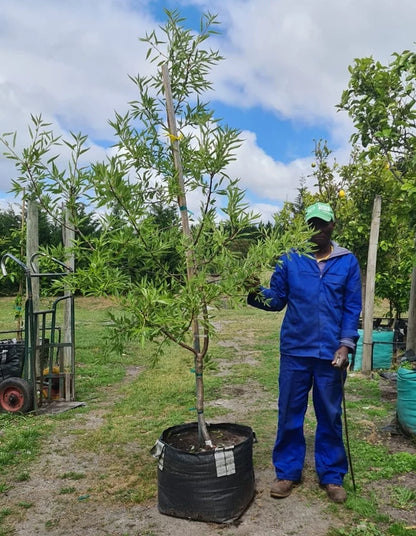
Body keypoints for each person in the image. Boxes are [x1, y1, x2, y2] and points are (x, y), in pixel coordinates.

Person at [247, 201, 362, 504]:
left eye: (322, 224)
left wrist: (346, 344)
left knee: (330, 414)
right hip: (295, 351)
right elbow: (277, 300)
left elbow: (352, 307)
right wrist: (254, 290)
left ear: (332, 226)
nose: (316, 230)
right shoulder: (291, 259)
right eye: (311, 224)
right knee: (290, 413)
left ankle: (332, 475)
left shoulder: (347, 261)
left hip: (330, 354)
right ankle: (287, 473)